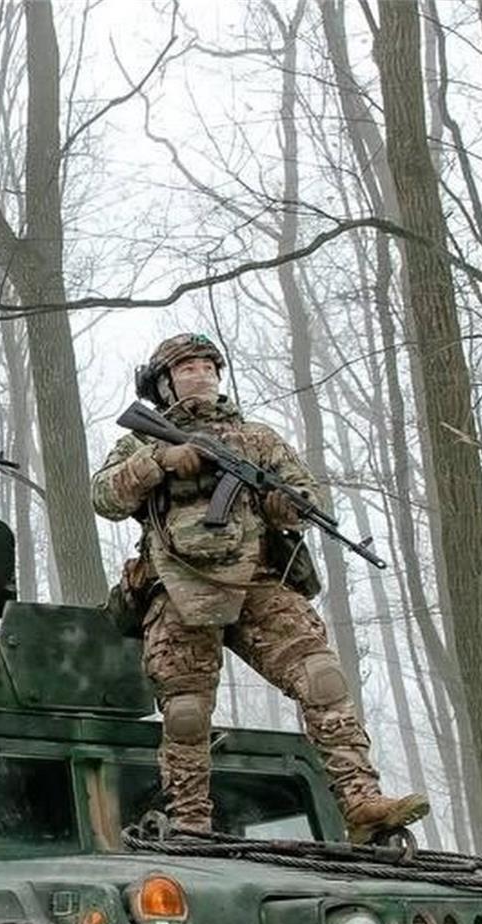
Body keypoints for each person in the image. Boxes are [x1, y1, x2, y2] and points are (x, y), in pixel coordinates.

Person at [91, 332, 427, 842]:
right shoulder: (142, 439)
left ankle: (361, 802)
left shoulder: (258, 438)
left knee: (322, 677)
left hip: (257, 582)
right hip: (178, 589)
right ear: (163, 384)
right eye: (187, 368)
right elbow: (105, 497)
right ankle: (190, 824)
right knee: (185, 712)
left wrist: (281, 504)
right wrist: (159, 461)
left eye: (209, 367)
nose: (201, 375)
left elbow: (303, 496)